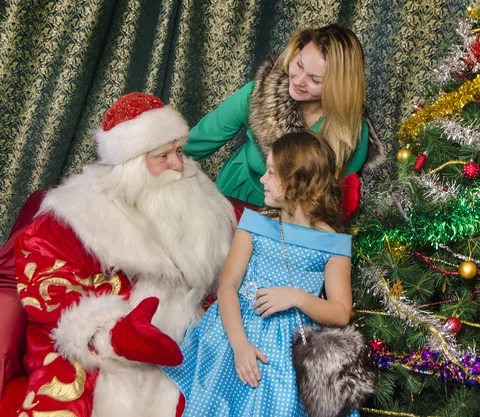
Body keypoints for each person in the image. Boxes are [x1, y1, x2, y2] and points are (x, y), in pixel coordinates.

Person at [13, 92, 237, 417]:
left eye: (178, 150)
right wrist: (114, 333)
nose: (178, 164)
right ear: (132, 164)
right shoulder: (75, 216)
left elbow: (227, 279)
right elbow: (50, 288)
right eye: (163, 156)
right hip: (100, 351)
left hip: (184, 342)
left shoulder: (206, 205)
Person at [163, 131, 360, 416]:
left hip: (292, 350)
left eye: (270, 173)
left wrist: (298, 298)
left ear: (296, 181)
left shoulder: (334, 245)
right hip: (234, 333)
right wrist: (240, 346)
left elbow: (341, 312)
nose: (262, 180)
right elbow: (228, 285)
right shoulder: (254, 224)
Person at [185, 24, 384, 206]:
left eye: (315, 79)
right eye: (299, 64)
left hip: (296, 219)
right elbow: (194, 144)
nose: (298, 80)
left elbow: (334, 202)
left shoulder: (353, 134)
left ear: (338, 88)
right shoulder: (257, 93)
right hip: (235, 198)